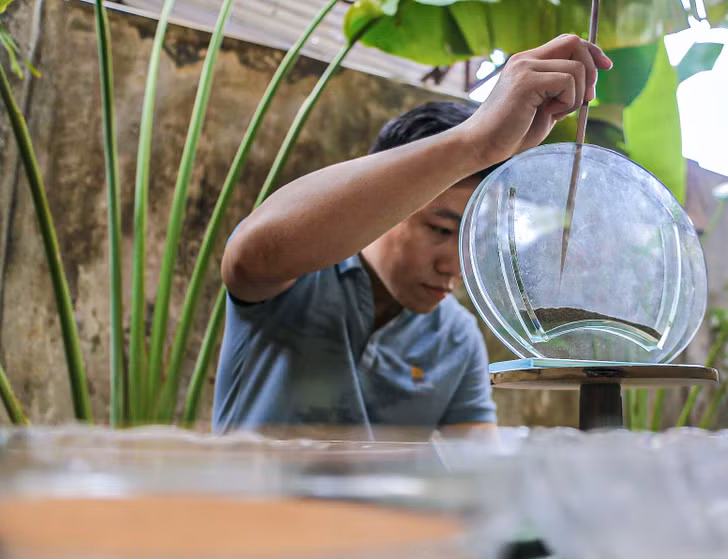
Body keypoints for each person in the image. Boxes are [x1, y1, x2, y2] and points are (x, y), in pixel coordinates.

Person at [213, 34, 613, 438]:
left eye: (473, 241)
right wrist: (475, 142)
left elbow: (475, 459)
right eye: (440, 229)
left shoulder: (455, 338)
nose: (454, 266)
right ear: (387, 204)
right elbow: (253, 255)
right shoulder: (296, 282)